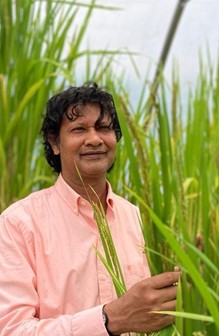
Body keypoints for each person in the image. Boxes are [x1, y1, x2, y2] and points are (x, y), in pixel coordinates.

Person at [0, 82, 180, 336]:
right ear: (55, 143)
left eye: (103, 128)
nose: (94, 139)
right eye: (79, 129)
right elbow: (11, 330)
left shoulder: (134, 216)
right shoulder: (18, 224)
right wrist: (109, 320)